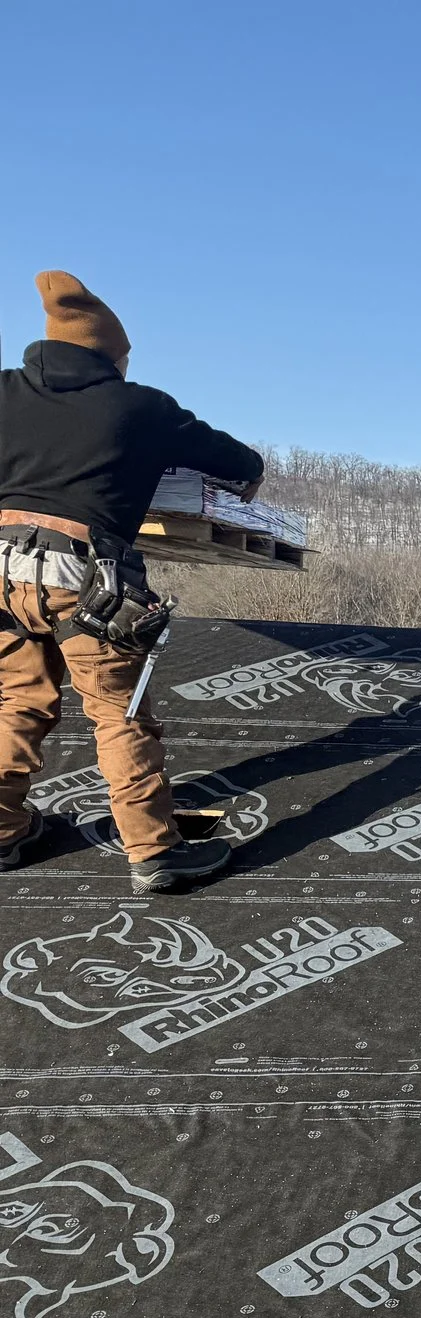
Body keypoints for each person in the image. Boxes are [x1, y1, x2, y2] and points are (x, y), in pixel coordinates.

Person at [0, 272, 262, 893]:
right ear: (112, 356)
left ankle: (4, 831)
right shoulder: (141, 407)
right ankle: (155, 851)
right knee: (119, 714)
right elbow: (240, 464)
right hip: (85, 580)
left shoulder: (5, 392)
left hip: (0, 574)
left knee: (15, 702)